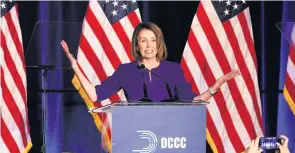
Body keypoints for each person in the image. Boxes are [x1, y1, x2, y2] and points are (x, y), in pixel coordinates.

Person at [61, 22, 240, 103]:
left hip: (170, 137)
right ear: (137, 45)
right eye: (143, 40)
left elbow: (191, 102)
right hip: (135, 139)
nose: (149, 45)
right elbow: (95, 95)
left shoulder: (172, 70)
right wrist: (75, 65)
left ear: (159, 43)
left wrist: (214, 88)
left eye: (153, 40)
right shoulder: (125, 71)